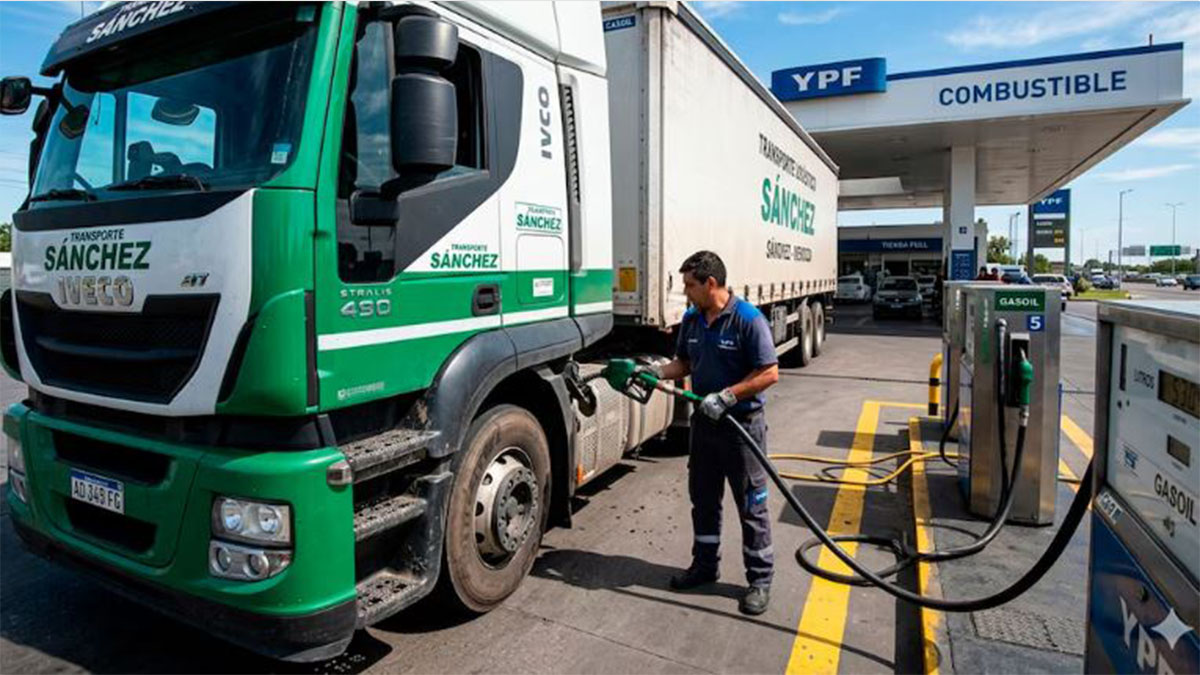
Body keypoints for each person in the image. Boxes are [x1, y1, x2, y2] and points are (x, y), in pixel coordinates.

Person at [641, 250, 780, 615]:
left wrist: (729, 395)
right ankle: (704, 566)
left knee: (751, 505)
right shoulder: (692, 319)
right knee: (703, 499)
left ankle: (760, 581)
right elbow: (684, 363)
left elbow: (769, 372)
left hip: (741, 428)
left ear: (711, 284)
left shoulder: (748, 319)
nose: (685, 291)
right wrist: (656, 373)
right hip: (704, 426)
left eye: (690, 284)